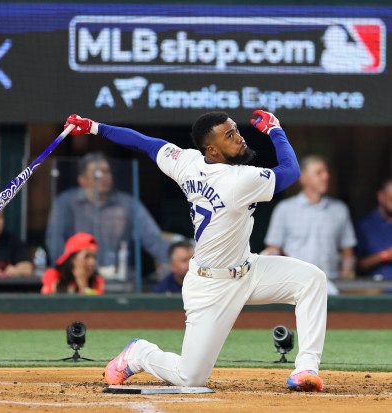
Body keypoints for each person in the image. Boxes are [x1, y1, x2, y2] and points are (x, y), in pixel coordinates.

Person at [64, 110, 327, 392]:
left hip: (248, 270)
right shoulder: (240, 179)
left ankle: (305, 369)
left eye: (236, 130)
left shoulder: (187, 161)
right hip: (211, 286)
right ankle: (139, 353)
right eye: (229, 136)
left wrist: (95, 127)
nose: (239, 138)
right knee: (191, 378)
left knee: (312, 280)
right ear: (212, 149)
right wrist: (276, 131)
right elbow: (290, 172)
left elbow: (145, 142)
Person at [45, 152, 169, 277]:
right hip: (79, 277)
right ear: (82, 179)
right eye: (97, 173)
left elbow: (152, 238)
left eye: (106, 172)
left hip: (118, 277)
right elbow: (55, 239)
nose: (103, 177)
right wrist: (68, 271)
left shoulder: (128, 204)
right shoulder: (66, 202)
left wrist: (172, 262)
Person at [264, 155, 357, 295]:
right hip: (293, 283)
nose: (326, 176)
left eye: (326, 172)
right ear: (304, 178)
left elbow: (347, 251)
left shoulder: (339, 209)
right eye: (319, 173)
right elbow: (272, 250)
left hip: (330, 284)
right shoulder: (285, 209)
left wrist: (345, 281)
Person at [41, 232, 105, 295]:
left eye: (94, 257)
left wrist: (83, 286)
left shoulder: (97, 281)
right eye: (87, 256)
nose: (92, 262)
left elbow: (96, 302)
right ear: (72, 259)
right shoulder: (53, 275)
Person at [355, 178, 392, 280]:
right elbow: (357, 265)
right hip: (374, 289)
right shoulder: (365, 226)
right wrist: (385, 255)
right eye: (391, 199)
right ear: (380, 196)